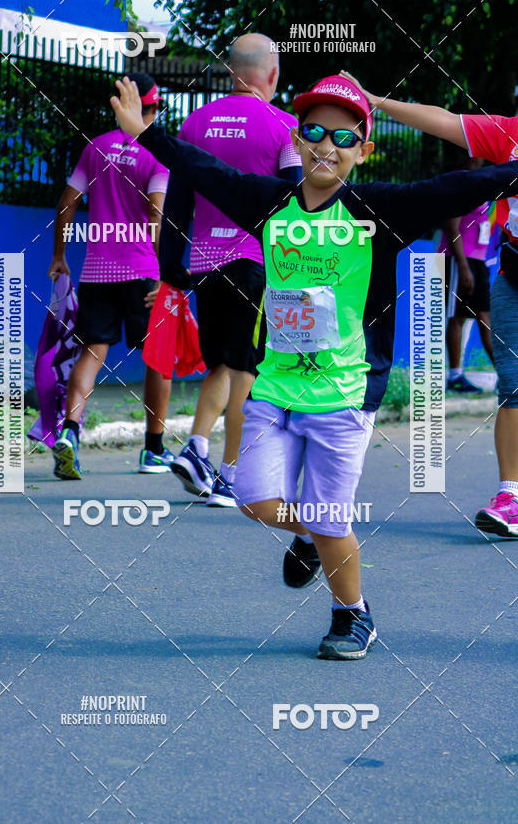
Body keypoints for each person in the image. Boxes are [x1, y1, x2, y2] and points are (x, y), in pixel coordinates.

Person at [111, 73, 518, 659]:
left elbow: (456, 186)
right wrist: (147, 134)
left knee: (332, 518)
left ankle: (352, 615)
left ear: (363, 150)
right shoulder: (269, 202)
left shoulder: (378, 210)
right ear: (297, 140)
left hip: (345, 391)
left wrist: (513, 172)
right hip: (276, 387)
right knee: (252, 498)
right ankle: (312, 534)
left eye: (344, 137)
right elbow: (205, 171)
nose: (328, 146)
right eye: (315, 132)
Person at [341, 71, 518, 538]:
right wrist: (375, 99)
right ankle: (511, 496)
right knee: (514, 385)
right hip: (514, 276)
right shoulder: (510, 135)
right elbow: (442, 120)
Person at [160, 33, 301, 507]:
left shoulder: (194, 123)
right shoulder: (285, 126)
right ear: (272, 75)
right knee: (246, 368)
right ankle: (229, 474)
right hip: (255, 262)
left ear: (230, 72)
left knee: (222, 362)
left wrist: (169, 261)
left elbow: (178, 198)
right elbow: (294, 201)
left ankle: (197, 448)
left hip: (203, 261)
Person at [48, 72, 174, 480]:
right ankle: (153, 450)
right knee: (157, 358)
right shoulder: (158, 153)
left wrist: (59, 256)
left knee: (92, 352)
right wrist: (164, 274)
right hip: (143, 271)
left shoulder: (96, 147)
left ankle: (70, 432)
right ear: (153, 108)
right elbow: (156, 214)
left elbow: (67, 204)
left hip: (97, 271)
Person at [440, 157, 495, 393]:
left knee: (484, 317)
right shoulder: (461, 183)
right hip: (458, 259)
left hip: (478, 260)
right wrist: (462, 267)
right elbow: (451, 227)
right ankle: (455, 376)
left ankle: (506, 375)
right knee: (457, 317)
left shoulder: (484, 183)